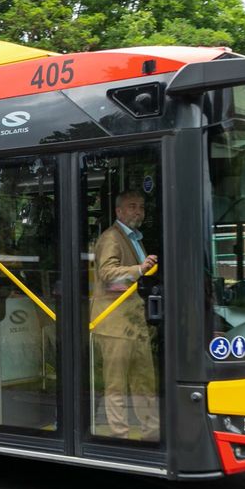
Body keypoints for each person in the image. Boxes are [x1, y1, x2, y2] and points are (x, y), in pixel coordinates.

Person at [89, 189, 160, 441]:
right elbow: (108, 273)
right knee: (116, 385)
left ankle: (151, 433)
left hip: (133, 322)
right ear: (118, 211)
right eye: (132, 206)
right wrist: (140, 268)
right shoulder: (111, 238)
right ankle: (119, 436)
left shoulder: (134, 238)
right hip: (113, 322)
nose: (138, 211)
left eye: (140, 206)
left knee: (145, 382)